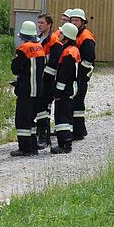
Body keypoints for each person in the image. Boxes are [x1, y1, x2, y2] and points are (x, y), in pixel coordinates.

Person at [11, 20, 45, 157]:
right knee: (31, 119)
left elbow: (15, 69)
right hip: (38, 91)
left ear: (23, 36)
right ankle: (33, 146)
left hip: (26, 90)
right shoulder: (40, 48)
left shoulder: (23, 50)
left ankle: (25, 148)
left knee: (22, 119)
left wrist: (14, 60)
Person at [50, 23, 82, 155]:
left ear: (67, 36)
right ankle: (66, 142)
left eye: (62, 33)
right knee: (67, 117)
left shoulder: (68, 52)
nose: (60, 35)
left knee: (62, 117)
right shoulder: (73, 50)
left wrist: (58, 91)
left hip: (65, 91)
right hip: (69, 90)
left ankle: (64, 145)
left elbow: (64, 76)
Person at [67, 8, 96, 140]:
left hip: (81, 76)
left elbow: (89, 59)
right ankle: (77, 129)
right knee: (74, 102)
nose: (74, 22)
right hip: (75, 74)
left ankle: (78, 132)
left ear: (83, 22)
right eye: (72, 20)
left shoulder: (86, 37)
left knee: (77, 103)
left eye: (76, 20)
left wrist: (80, 74)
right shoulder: (75, 34)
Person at [35, 14, 62, 149]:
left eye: (42, 23)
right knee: (39, 109)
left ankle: (44, 138)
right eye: (38, 23)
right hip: (37, 80)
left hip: (47, 81)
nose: (39, 25)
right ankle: (40, 135)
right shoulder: (38, 39)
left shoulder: (54, 41)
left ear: (49, 24)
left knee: (44, 109)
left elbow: (53, 64)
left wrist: (45, 79)